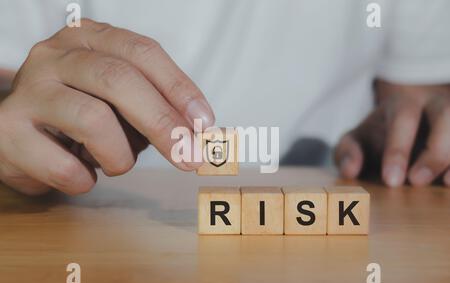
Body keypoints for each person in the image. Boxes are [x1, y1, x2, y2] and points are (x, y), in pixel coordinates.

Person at [0, 0, 449, 195]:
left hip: (333, 218)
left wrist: (407, 134)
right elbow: (10, 83)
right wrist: (16, 121)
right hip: (104, 222)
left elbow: (415, 90)